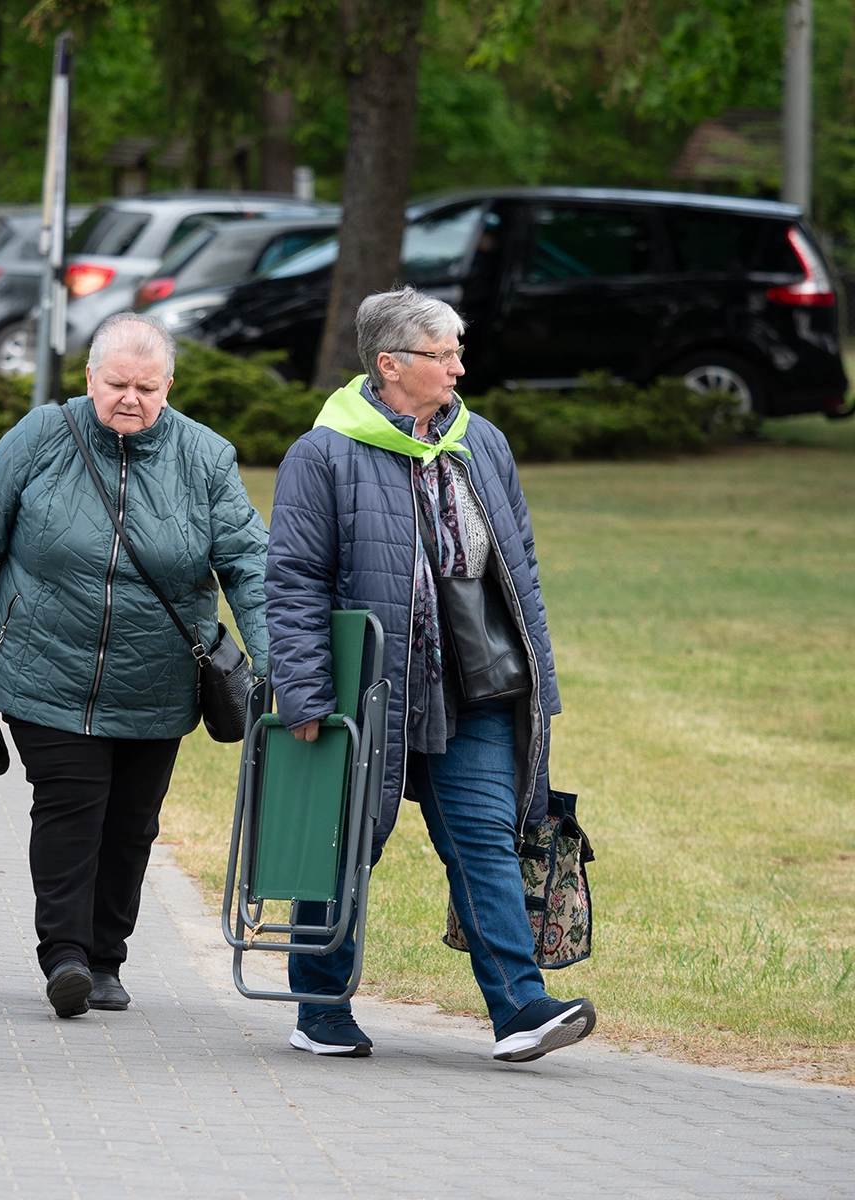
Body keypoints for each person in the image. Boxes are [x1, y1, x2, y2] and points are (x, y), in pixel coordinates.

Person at [264, 285, 595, 1063]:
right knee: (344, 842)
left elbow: (522, 572)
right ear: (391, 364)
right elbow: (294, 577)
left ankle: (519, 1010)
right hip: (370, 689)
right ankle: (319, 1006)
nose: (458, 367)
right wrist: (305, 691)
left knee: (484, 837)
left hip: (474, 687)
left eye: (455, 350)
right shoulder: (325, 453)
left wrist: (538, 683)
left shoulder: (484, 444)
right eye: (442, 354)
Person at [0, 312, 269, 1018]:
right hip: (43, 671)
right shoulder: (42, 436)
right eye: (116, 384)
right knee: (72, 808)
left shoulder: (206, 458)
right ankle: (66, 957)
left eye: (147, 386)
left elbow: (250, 566)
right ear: (89, 379)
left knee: (132, 824)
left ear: (168, 386)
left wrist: (278, 660)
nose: (130, 398)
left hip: (156, 680)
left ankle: (107, 957)